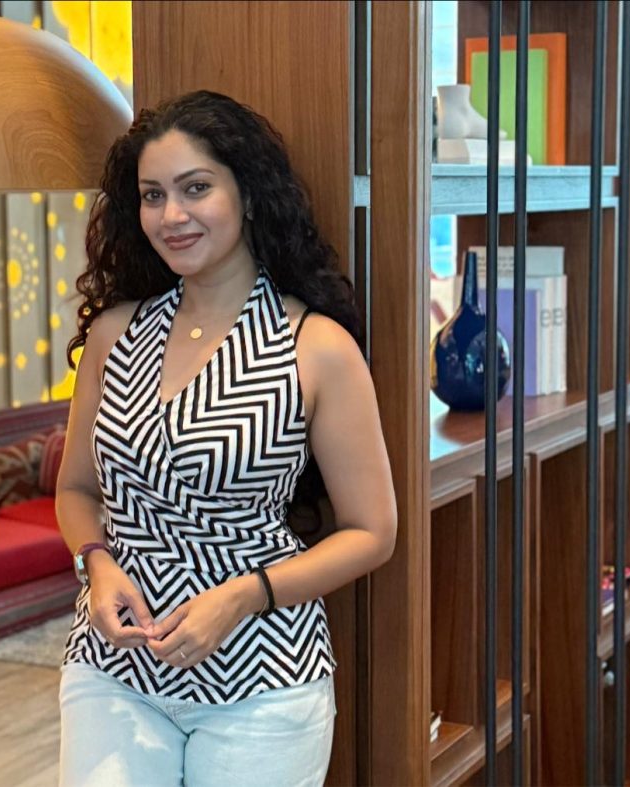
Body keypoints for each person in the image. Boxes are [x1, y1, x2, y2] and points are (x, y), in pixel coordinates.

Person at [54, 90, 397, 787]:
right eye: (153, 195)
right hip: (114, 671)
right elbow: (77, 490)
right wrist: (98, 564)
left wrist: (243, 595)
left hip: (263, 677)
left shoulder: (315, 346)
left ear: (248, 193)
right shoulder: (114, 335)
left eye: (196, 188)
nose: (171, 216)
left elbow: (373, 532)